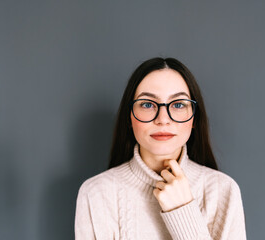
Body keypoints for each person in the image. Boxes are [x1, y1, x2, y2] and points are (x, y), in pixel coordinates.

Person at [74, 57, 247, 240]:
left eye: (178, 104)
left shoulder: (223, 190)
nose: (163, 119)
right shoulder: (96, 194)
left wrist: (183, 211)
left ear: (194, 118)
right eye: (147, 104)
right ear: (129, 117)